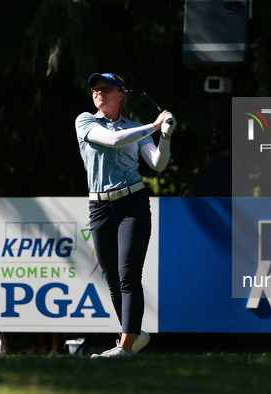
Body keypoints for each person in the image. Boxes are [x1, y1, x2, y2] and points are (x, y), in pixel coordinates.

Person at [75, 73, 176, 358]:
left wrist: (164, 137)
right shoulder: (85, 121)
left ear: (121, 94)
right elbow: (114, 140)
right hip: (100, 208)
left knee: (128, 276)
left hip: (132, 203)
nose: (99, 92)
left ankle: (125, 346)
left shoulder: (134, 127)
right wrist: (154, 126)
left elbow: (157, 163)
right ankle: (134, 336)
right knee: (111, 279)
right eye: (95, 88)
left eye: (106, 88)